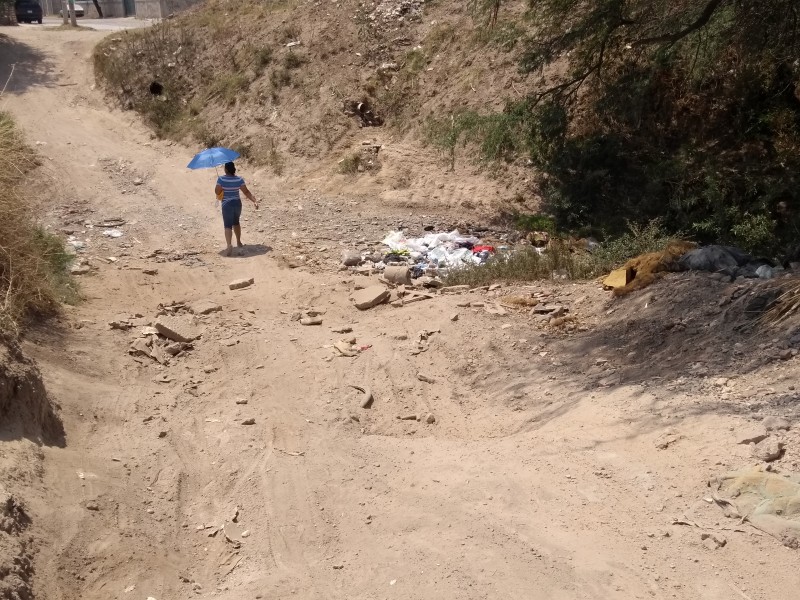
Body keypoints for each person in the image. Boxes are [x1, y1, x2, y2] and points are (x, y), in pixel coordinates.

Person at [215, 161, 259, 256]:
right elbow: (246, 192)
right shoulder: (239, 179)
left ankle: (229, 245)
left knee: (227, 225)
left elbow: (217, 192)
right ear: (233, 169)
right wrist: (254, 201)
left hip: (227, 204)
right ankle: (239, 242)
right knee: (236, 222)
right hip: (237, 203)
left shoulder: (221, 179)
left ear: (226, 169)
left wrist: (221, 185)